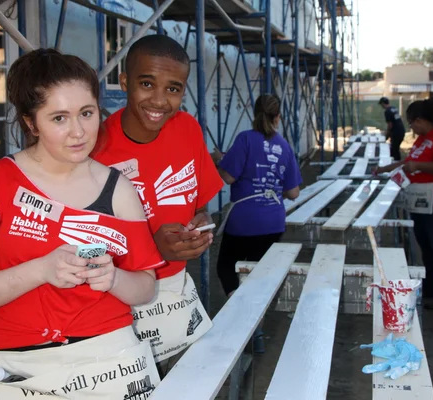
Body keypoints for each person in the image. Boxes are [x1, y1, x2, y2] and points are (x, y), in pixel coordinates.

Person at [0, 49, 164, 399]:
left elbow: (145, 287)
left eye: (87, 113)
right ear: (32, 123)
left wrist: (112, 278)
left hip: (113, 358)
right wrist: (42, 269)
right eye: (59, 118)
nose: (78, 132)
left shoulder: (117, 188)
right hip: (27, 369)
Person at [91, 35, 223, 370]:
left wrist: (201, 226)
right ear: (124, 82)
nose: (160, 100)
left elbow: (199, 207)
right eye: (147, 83)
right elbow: (82, 248)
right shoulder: (95, 150)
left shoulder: (188, 129)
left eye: (173, 88)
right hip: (119, 303)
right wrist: (152, 251)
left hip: (177, 299)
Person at [374, 98, 433, 309]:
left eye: (412, 123)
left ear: (422, 120)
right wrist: (388, 168)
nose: (411, 127)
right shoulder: (423, 138)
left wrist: (418, 165)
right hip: (424, 201)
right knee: (427, 245)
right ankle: (432, 291)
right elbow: (410, 162)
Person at [211, 94, 302, 298]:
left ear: (254, 113)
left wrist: (219, 160)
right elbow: (294, 192)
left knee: (227, 268)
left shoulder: (245, 139)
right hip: (273, 221)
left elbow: (228, 177)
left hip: (244, 219)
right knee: (258, 272)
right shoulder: (284, 146)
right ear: (277, 117)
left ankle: (239, 309)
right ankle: (255, 322)